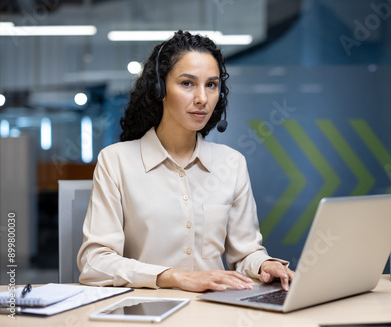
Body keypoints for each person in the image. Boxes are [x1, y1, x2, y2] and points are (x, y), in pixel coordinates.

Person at [77, 30, 294, 292]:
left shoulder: (232, 163)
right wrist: (175, 277)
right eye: (187, 83)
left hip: (215, 310)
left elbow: (245, 253)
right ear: (160, 88)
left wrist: (265, 264)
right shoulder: (116, 161)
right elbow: (95, 262)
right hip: (144, 312)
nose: (202, 98)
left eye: (211, 85)